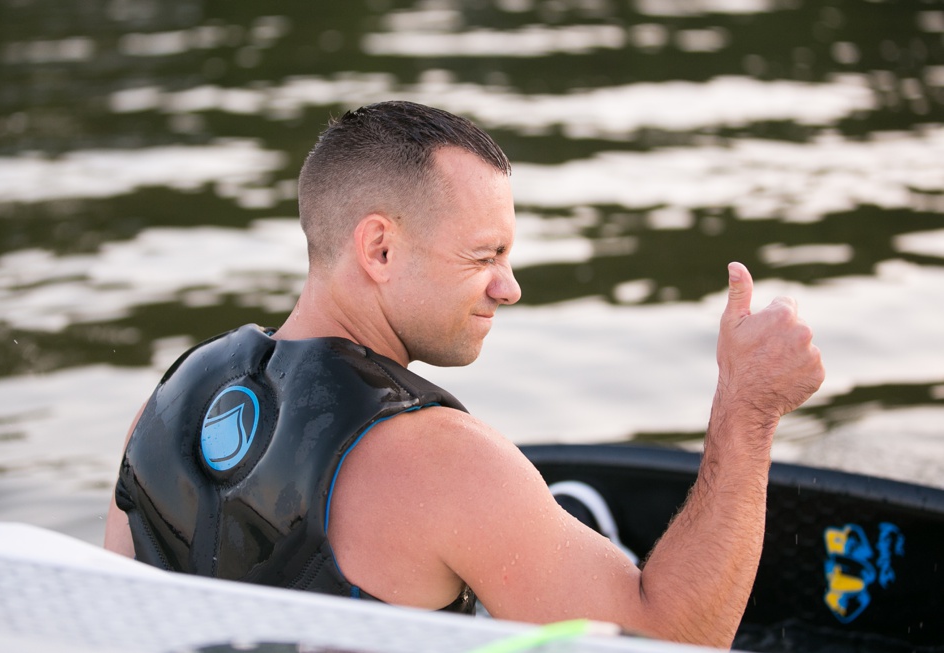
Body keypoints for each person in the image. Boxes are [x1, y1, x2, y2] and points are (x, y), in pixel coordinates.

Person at [104, 100, 824, 647]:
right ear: (379, 250)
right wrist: (747, 409)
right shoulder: (443, 462)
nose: (507, 288)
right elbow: (673, 642)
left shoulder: (168, 403)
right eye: (484, 257)